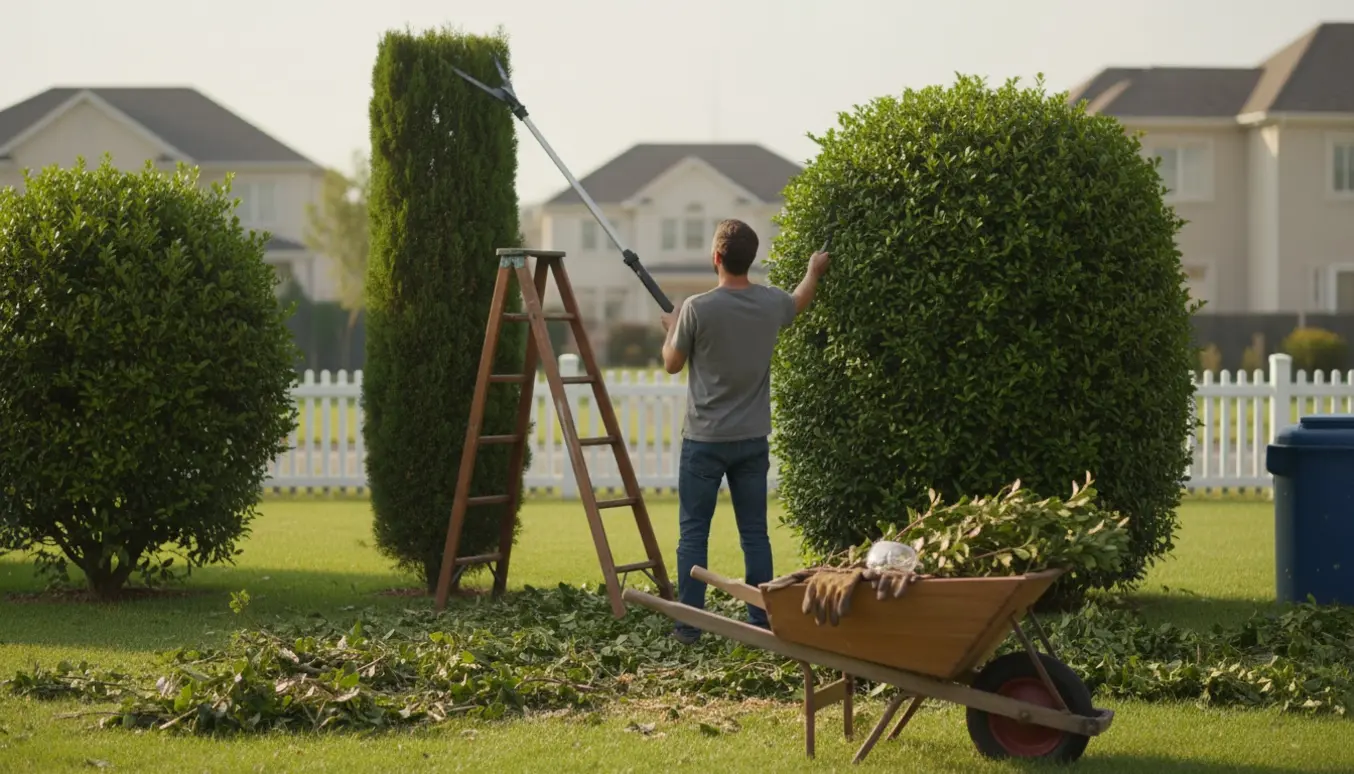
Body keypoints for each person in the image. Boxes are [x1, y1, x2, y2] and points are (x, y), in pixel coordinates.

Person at [658, 218, 831, 643]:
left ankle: (689, 625)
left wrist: (672, 329)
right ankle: (761, 621)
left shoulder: (697, 308)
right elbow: (798, 300)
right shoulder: (770, 303)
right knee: (754, 532)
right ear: (750, 259)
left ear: (716, 258)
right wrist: (814, 269)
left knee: (693, 531)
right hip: (752, 439)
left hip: (704, 440)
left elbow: (672, 363)